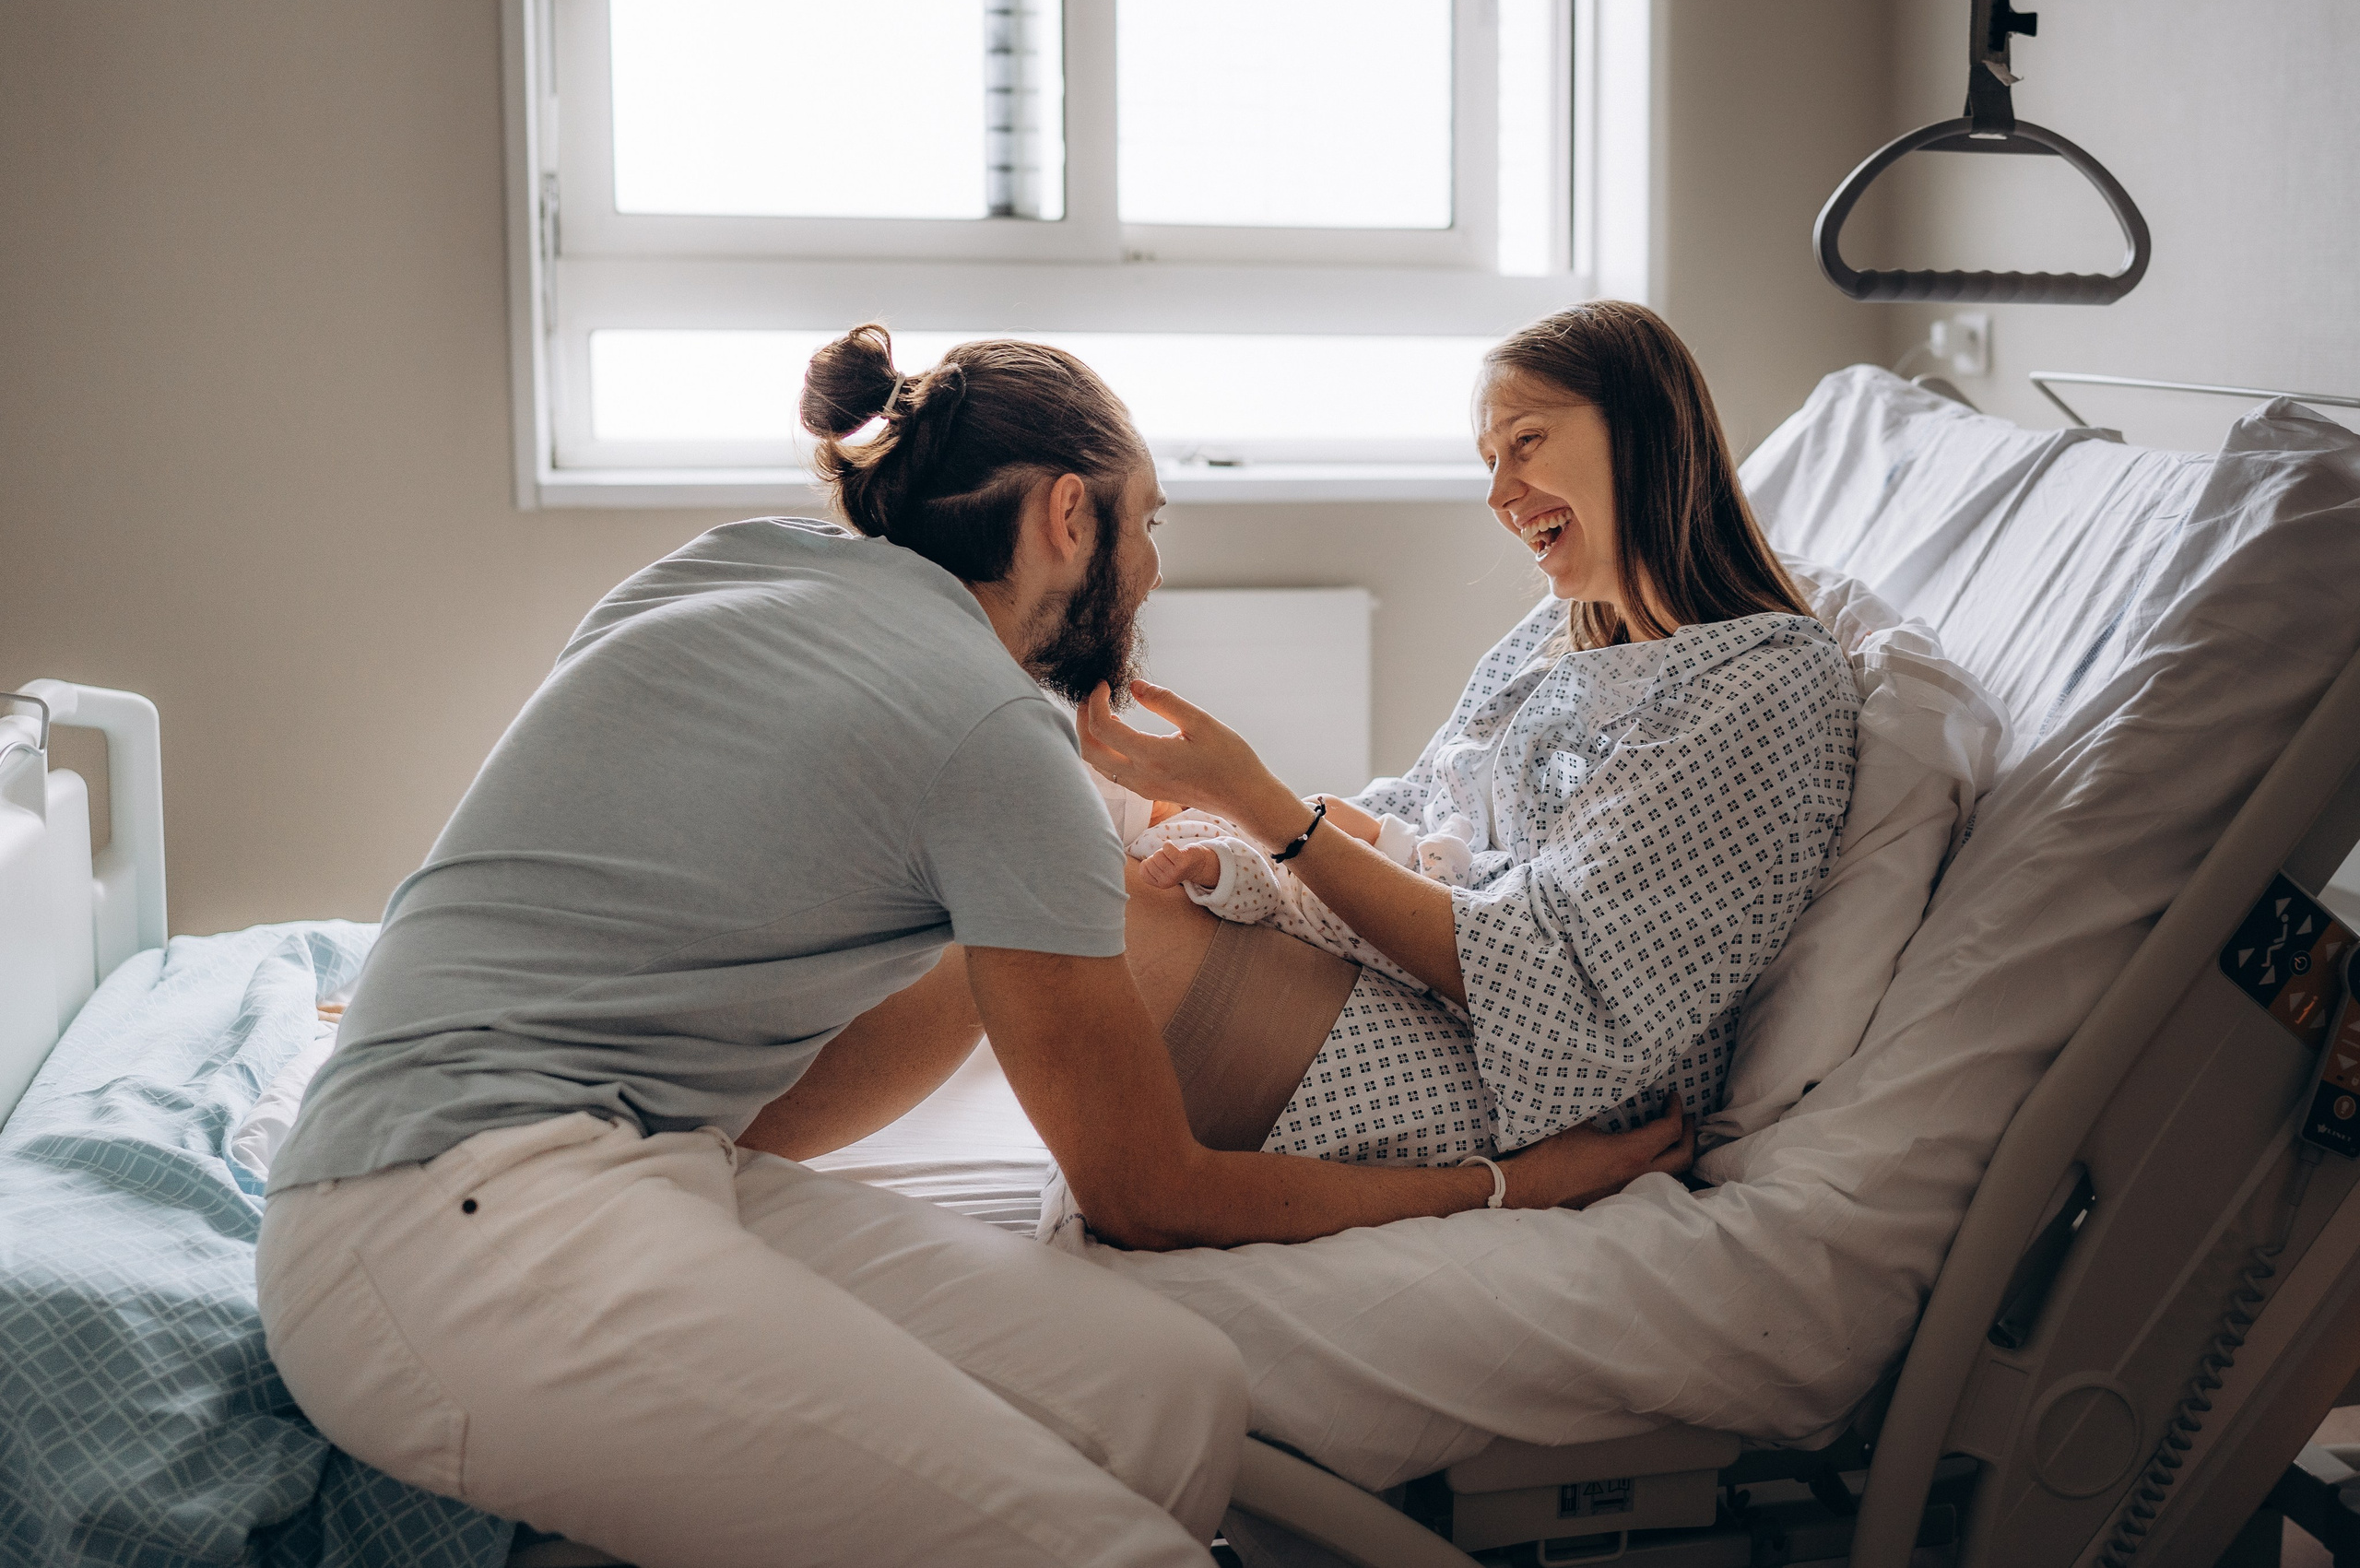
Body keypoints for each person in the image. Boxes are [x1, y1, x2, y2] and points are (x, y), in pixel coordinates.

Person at [253, 324, 1694, 1568]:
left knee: (1172, 1391)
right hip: (439, 1226)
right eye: (1149, 525)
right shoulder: (995, 738)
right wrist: (1511, 1180)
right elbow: (1151, 1195)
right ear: (1070, 514)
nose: (1149, 568)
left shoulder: (727, 566)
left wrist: (1072, 874)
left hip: (631, 1152)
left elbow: (779, 1053)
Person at [1066, 300, 1858, 1208]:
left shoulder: (1762, 686)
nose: (1498, 496)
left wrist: (1268, 810)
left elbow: (1556, 985)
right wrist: (1226, 815)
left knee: (1085, 903)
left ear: (1642, 428)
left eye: (1525, 442)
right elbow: (1416, 813)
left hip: (1552, 1091)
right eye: (1490, 461)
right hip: (1440, 997)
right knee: (1115, 834)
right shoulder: (1552, 643)